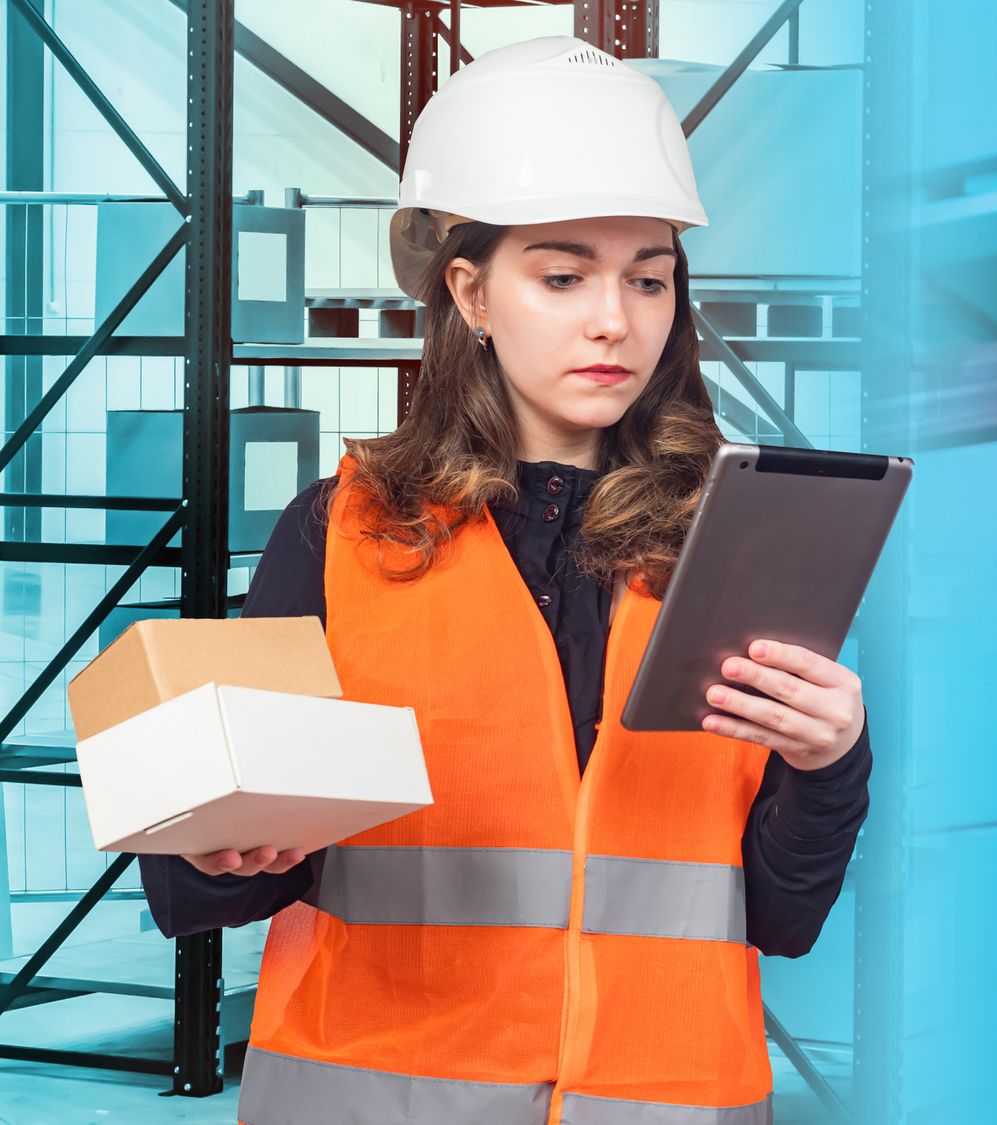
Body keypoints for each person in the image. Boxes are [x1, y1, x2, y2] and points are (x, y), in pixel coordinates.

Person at [134, 35, 868, 1124]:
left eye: (649, 279)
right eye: (563, 274)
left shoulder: (731, 546)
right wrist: (220, 833)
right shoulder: (339, 535)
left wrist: (832, 762)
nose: (615, 319)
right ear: (471, 292)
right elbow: (190, 890)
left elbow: (781, 911)